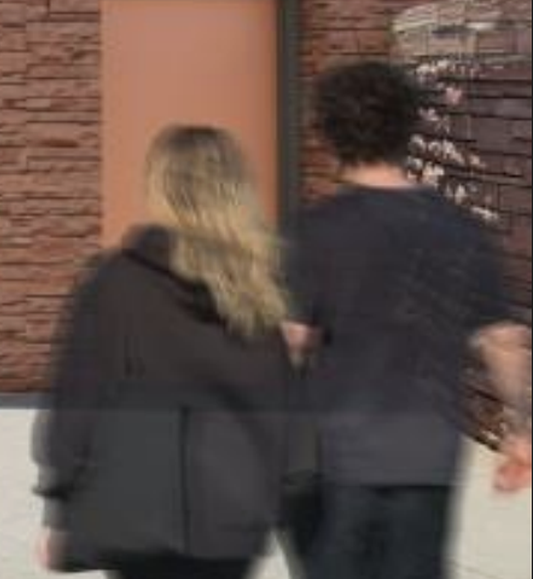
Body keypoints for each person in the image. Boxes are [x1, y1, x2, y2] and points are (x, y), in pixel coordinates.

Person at [284, 61, 530, 579]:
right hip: (427, 452)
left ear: (328, 135)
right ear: (407, 130)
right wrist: (521, 428)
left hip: (334, 456)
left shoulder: (314, 232)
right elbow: (503, 340)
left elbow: (291, 341)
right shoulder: (459, 229)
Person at [36, 125, 296, 579]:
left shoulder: (116, 280)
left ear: (160, 187)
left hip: (136, 512)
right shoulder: (260, 286)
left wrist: (59, 507)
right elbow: (279, 404)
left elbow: (79, 399)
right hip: (231, 520)